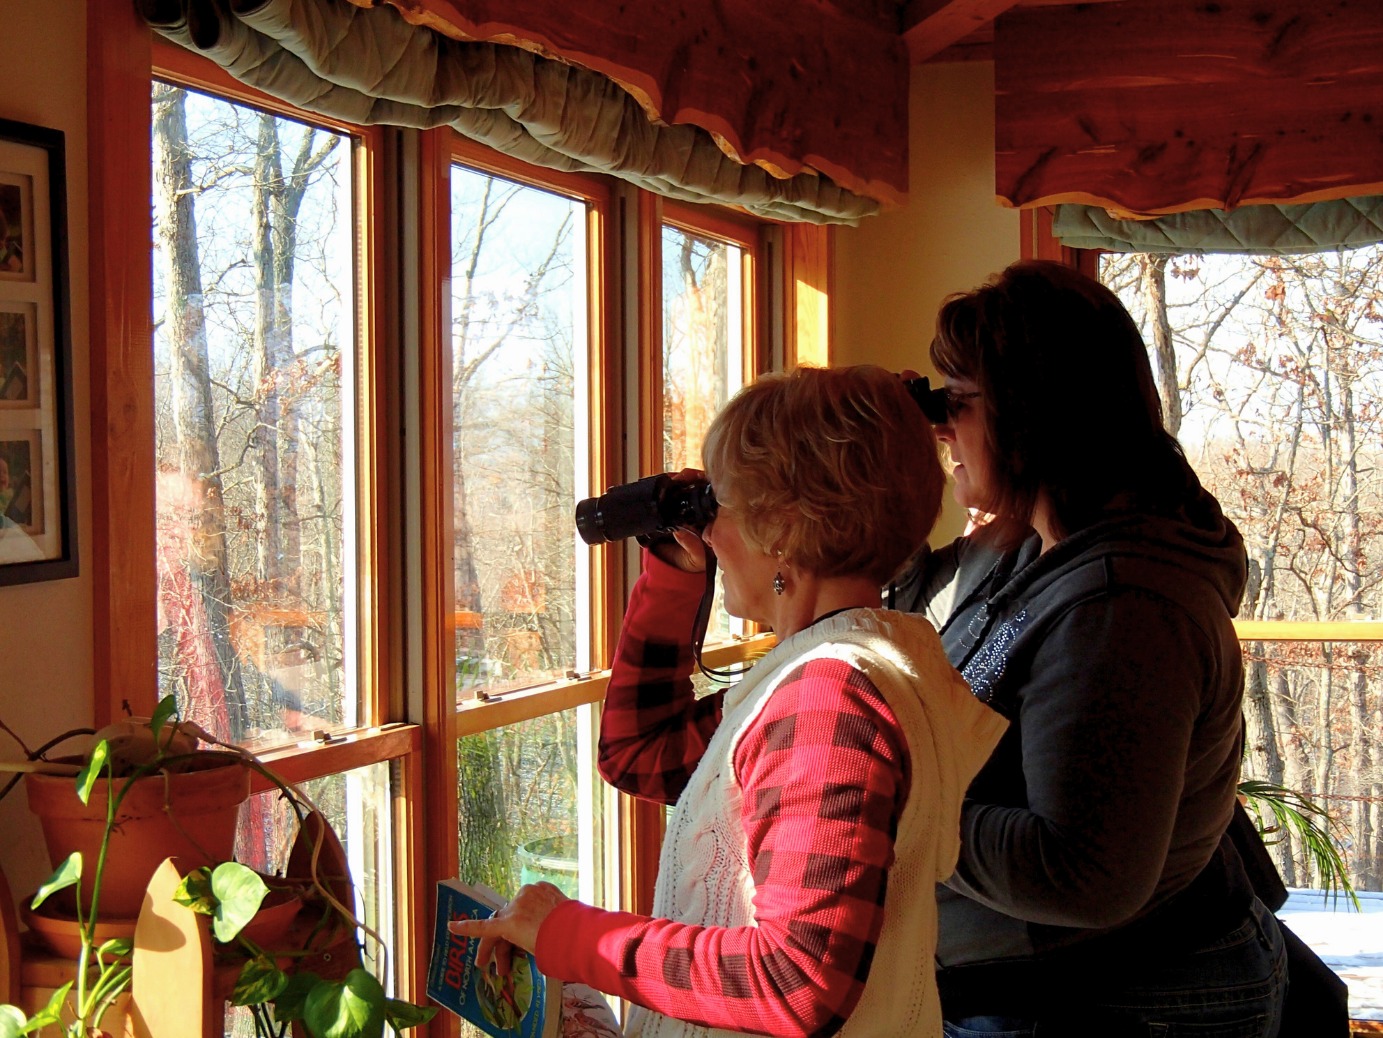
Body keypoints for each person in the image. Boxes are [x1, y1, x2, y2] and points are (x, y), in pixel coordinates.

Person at [451, 365, 1008, 1037]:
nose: (709, 533)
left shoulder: (827, 698)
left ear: (779, 530)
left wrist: (571, 937)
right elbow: (642, 752)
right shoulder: (875, 659)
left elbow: (794, 982)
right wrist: (677, 576)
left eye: (723, 509)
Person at [889, 260, 1288, 1036]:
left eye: (960, 404)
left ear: (1031, 413)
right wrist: (888, 462)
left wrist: (891, 804)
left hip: (1119, 999)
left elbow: (1081, 874)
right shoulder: (1034, 541)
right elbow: (902, 608)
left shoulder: (1121, 605)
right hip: (1058, 986)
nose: (942, 428)